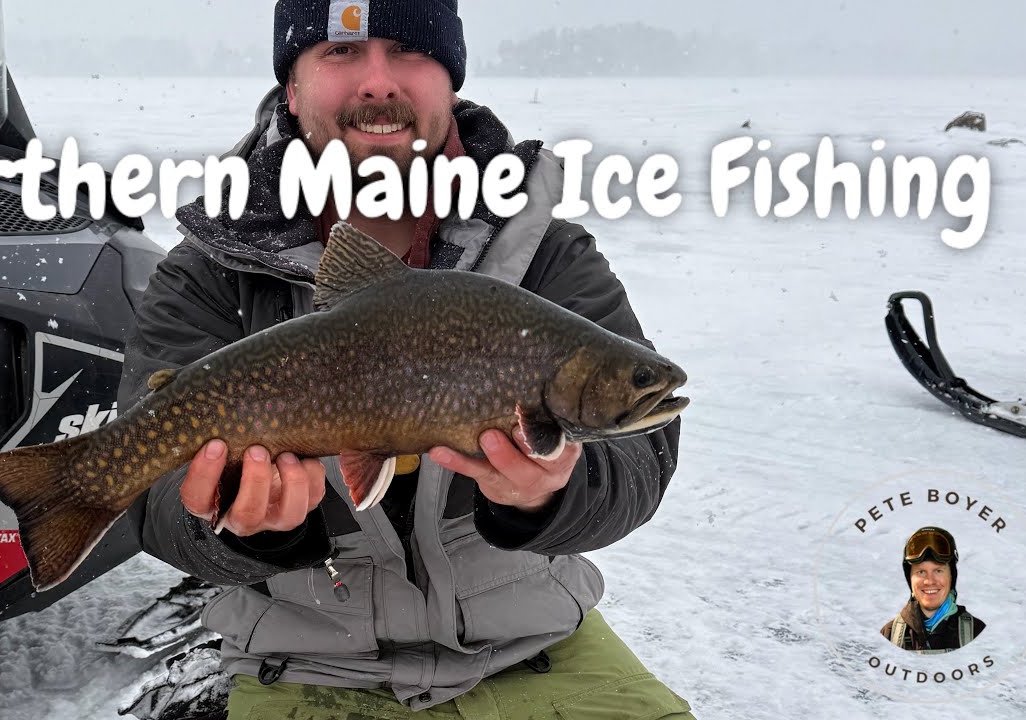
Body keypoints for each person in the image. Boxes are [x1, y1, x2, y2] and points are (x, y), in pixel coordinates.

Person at [121, 1, 693, 717]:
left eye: (408, 51)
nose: (377, 82)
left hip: (536, 645)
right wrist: (254, 531)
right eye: (340, 52)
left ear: (449, 80)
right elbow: (148, 489)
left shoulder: (547, 251)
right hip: (301, 664)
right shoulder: (208, 272)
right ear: (291, 89)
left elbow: (643, 464)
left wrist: (551, 493)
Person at [881, 526, 985, 653]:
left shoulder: (978, 633)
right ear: (910, 579)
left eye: (938, 570)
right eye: (921, 572)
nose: (929, 581)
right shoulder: (889, 635)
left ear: (951, 576)